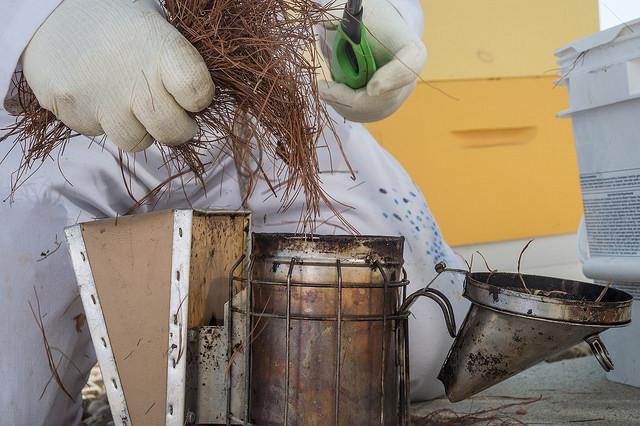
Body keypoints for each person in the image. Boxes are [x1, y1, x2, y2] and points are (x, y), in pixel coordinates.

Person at [0, 0, 470, 424]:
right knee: (16, 398)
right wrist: (38, 21)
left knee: (422, 348)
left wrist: (375, 12)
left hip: (271, 106)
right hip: (69, 125)